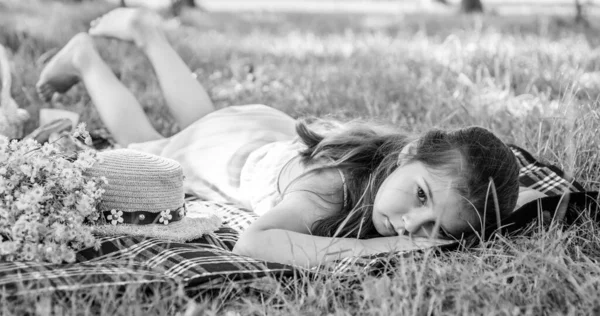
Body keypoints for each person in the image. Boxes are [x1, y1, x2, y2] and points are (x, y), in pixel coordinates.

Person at [35, 8, 520, 268]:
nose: (410, 226)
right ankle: (86, 60)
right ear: (412, 153)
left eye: (434, 229)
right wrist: (376, 252)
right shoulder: (333, 191)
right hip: (225, 155)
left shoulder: (387, 157)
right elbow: (253, 243)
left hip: (263, 129)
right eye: (420, 196)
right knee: (148, 146)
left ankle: (149, 35)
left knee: (204, 117)